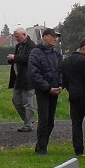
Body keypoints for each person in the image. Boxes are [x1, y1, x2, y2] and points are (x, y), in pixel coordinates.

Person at [26, 27, 64, 155]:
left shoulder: (56, 54)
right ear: (45, 37)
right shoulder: (35, 53)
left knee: (50, 122)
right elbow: (34, 73)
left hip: (55, 91)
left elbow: (61, 71)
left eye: (56, 37)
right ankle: (41, 149)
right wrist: (47, 88)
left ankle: (41, 146)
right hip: (43, 91)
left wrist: (60, 85)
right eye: (53, 36)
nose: (55, 39)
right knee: (44, 120)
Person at [61, 40, 85, 156]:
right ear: (84, 47)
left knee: (76, 124)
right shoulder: (84, 61)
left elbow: (65, 80)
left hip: (73, 95)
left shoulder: (66, 61)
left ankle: (78, 149)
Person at [7, 27, 37, 133]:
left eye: (17, 37)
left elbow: (29, 59)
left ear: (24, 35)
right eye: (15, 37)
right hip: (18, 79)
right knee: (16, 101)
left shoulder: (32, 46)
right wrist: (11, 60)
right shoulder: (18, 46)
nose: (16, 39)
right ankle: (28, 121)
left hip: (28, 79)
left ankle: (28, 124)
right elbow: (19, 59)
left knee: (28, 102)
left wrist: (15, 58)